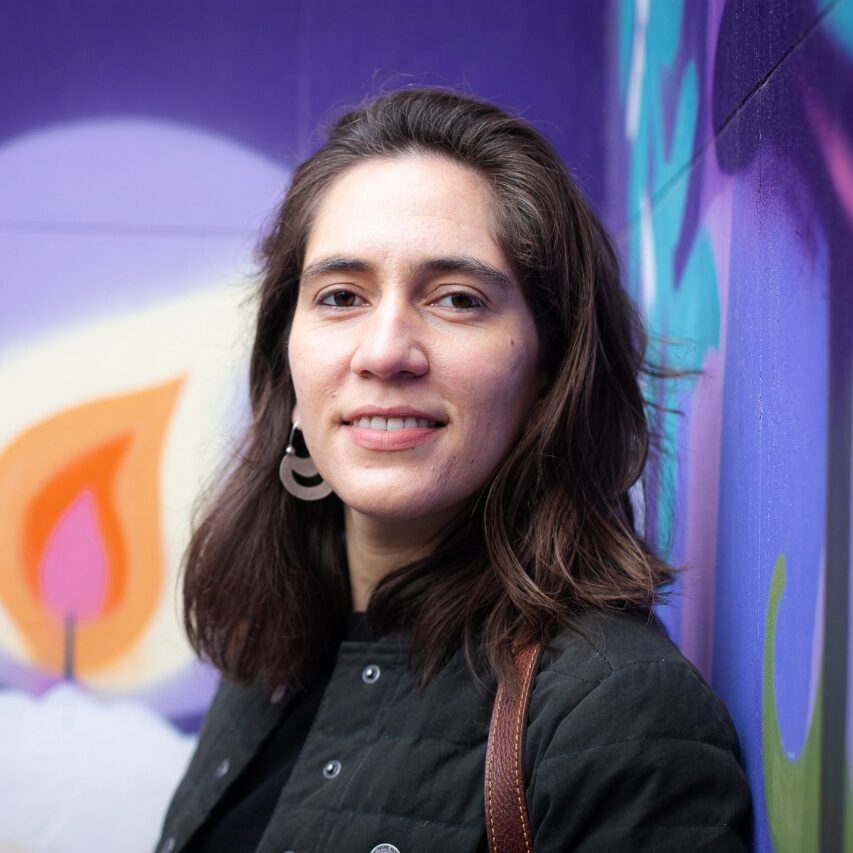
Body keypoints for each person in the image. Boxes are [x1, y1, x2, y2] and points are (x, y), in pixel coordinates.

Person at [156, 88, 752, 853]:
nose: (384, 352)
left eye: (457, 300)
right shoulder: (273, 652)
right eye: (340, 295)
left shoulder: (619, 715)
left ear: (549, 371)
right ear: (286, 360)